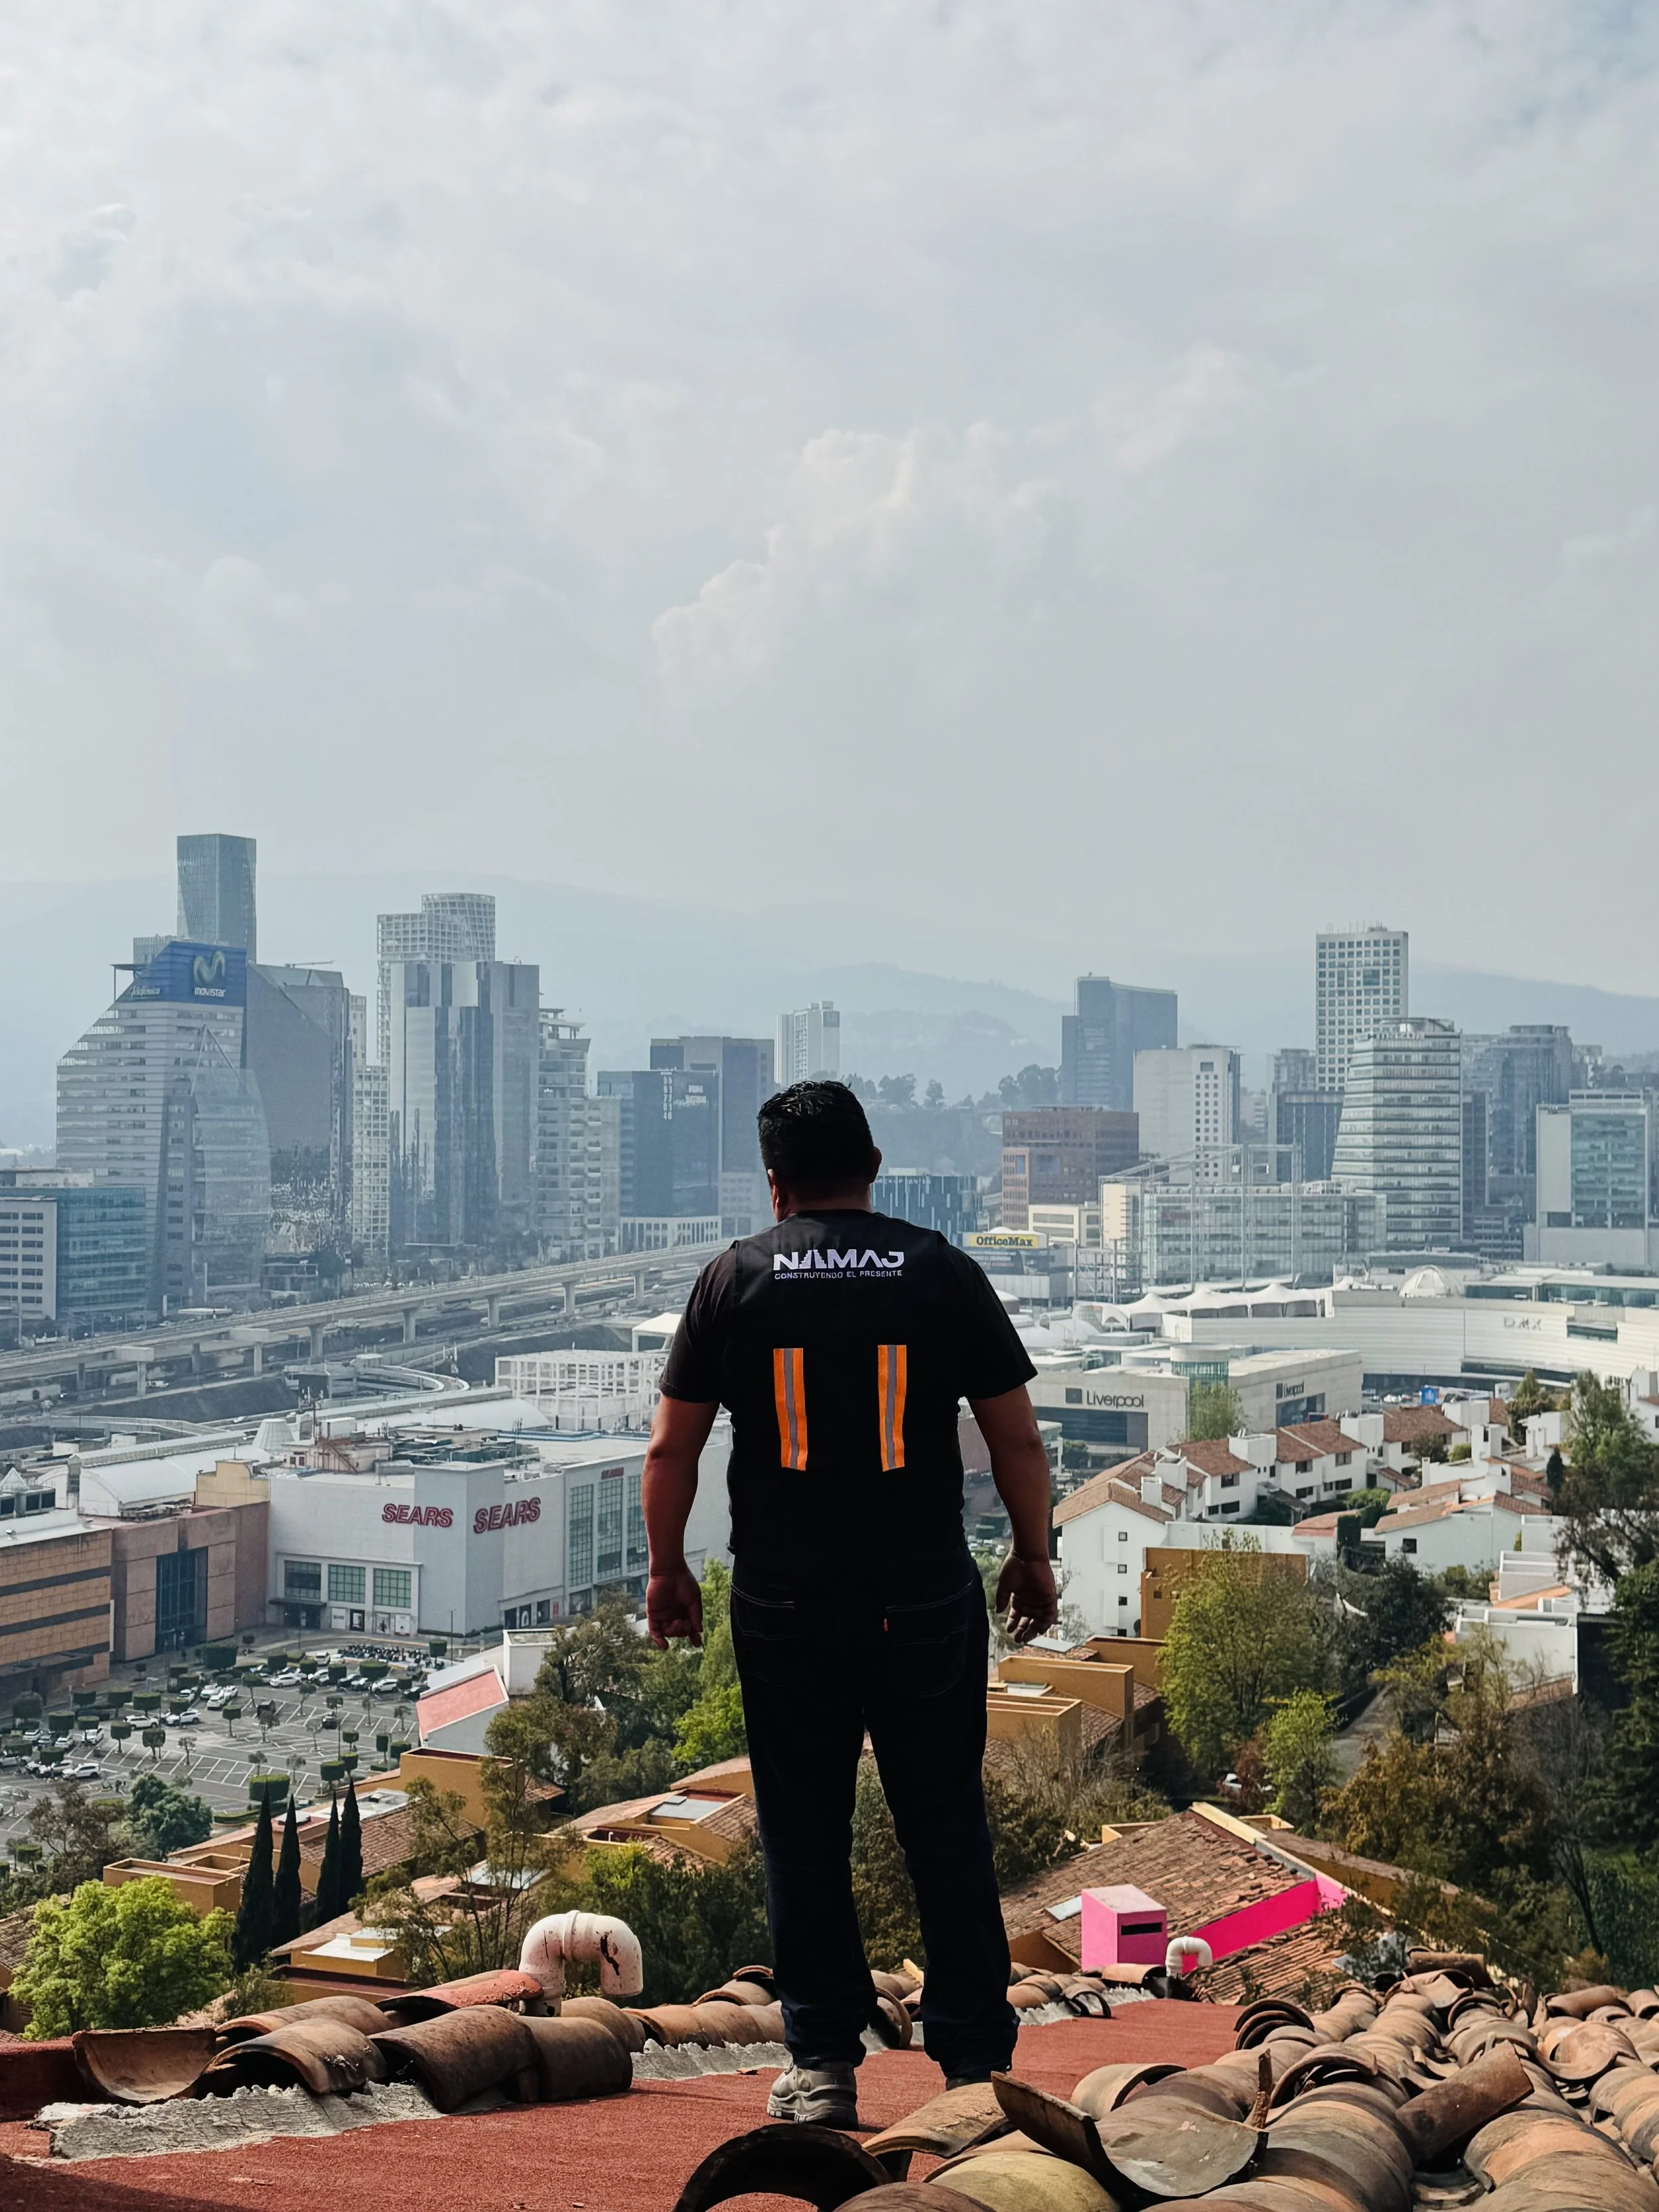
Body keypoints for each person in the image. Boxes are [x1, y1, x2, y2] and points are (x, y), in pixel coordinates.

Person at [642, 1080, 1058, 2128]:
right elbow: (1016, 1437)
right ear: (874, 1167)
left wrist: (667, 1571)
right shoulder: (941, 1272)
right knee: (945, 1823)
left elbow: (671, 1448)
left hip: (787, 1602)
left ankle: (823, 2063)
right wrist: (1034, 1555)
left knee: (803, 1828)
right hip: (921, 1596)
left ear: (775, 1183)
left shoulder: (734, 1279)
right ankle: (973, 2072)